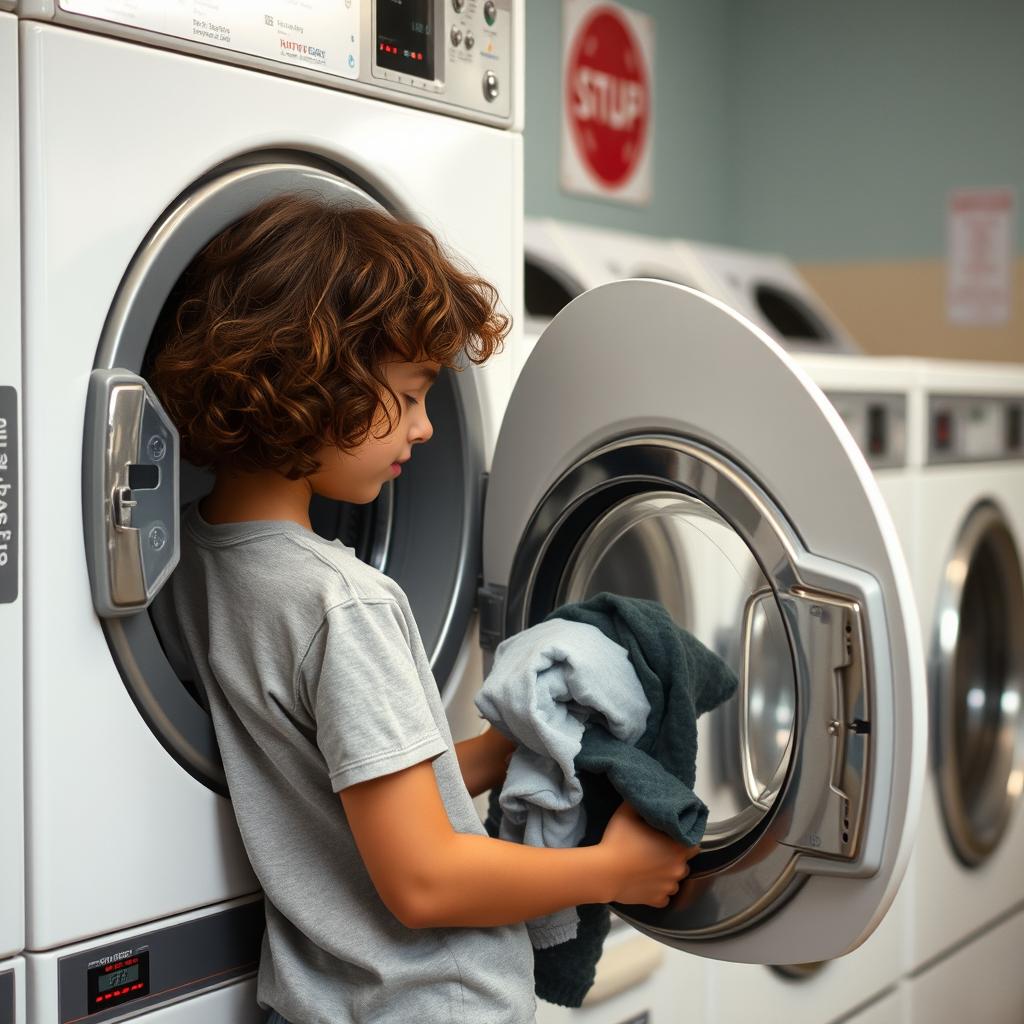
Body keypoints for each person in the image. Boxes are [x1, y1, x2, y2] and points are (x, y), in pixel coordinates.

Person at [148, 194, 696, 1024]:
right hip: (432, 1001)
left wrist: (494, 750)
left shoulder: (195, 566)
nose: (427, 428)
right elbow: (423, 879)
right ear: (313, 384)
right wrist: (611, 873)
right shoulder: (345, 601)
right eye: (407, 397)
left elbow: (341, 789)